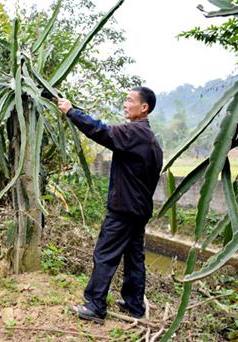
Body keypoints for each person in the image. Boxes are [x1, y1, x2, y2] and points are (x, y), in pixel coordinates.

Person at [58, 87, 163, 323]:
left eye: (129, 100)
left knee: (105, 254)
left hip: (124, 210)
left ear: (143, 107)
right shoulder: (150, 139)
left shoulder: (135, 132)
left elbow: (102, 131)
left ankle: (95, 306)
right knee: (134, 256)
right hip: (139, 210)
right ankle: (134, 304)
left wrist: (71, 112)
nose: (125, 104)